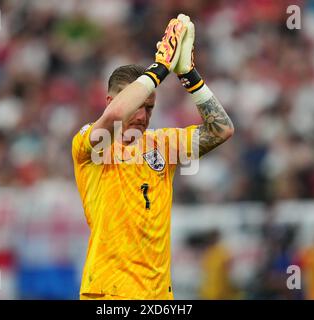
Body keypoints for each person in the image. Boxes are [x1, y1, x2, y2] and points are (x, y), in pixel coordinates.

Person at [72, 14, 234, 300]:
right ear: (111, 100)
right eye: (137, 105)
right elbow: (115, 116)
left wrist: (188, 75)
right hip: (109, 291)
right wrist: (160, 69)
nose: (142, 115)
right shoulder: (92, 144)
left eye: (149, 107)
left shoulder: (162, 144)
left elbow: (222, 130)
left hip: (158, 295)